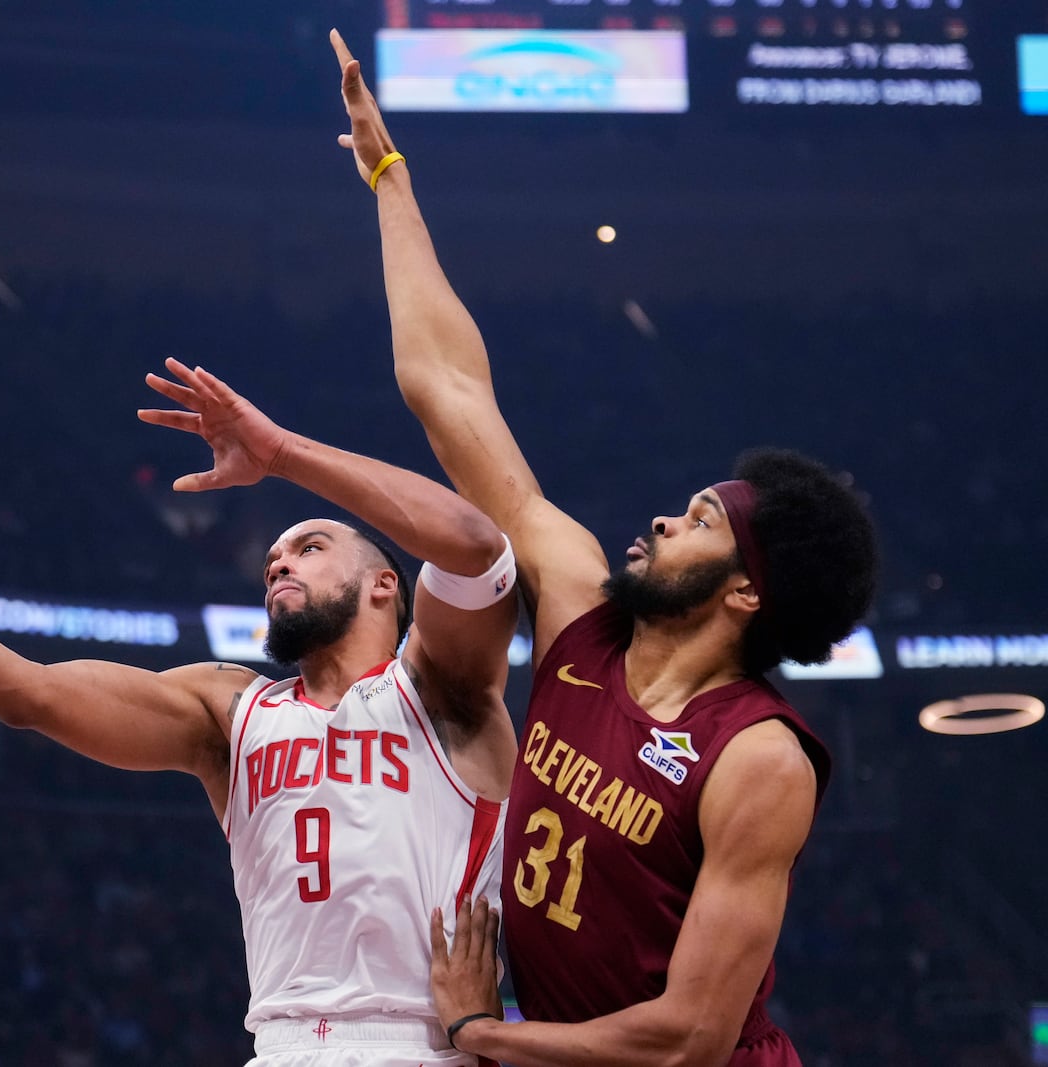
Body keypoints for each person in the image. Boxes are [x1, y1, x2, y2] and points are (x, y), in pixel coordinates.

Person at [329, 31, 879, 1067]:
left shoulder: (758, 756)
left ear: (747, 594)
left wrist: (482, 1032)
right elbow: (446, 389)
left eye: (701, 521)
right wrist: (387, 179)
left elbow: (687, 1038)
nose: (666, 521)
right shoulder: (581, 603)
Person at [0, 357, 519, 1067]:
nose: (280, 563)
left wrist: (281, 451)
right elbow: (21, 690)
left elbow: (478, 548)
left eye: (311, 547)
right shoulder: (229, 710)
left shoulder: (442, 688)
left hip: (429, 1043)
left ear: (386, 584)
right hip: (284, 1044)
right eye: (272, 561)